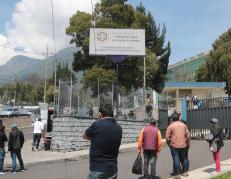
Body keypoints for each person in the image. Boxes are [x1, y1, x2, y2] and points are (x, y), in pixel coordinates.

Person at [83, 103, 122, 179]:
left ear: (100, 114)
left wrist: (95, 137)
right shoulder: (119, 128)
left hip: (97, 168)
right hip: (112, 169)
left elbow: (85, 135)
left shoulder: (97, 125)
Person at [166, 114, 190, 179]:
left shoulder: (170, 126)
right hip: (183, 145)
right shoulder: (183, 125)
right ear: (178, 118)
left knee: (176, 159)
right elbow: (188, 136)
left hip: (174, 145)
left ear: (172, 119)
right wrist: (187, 143)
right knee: (184, 158)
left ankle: (177, 174)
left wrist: (169, 144)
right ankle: (185, 172)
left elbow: (167, 137)